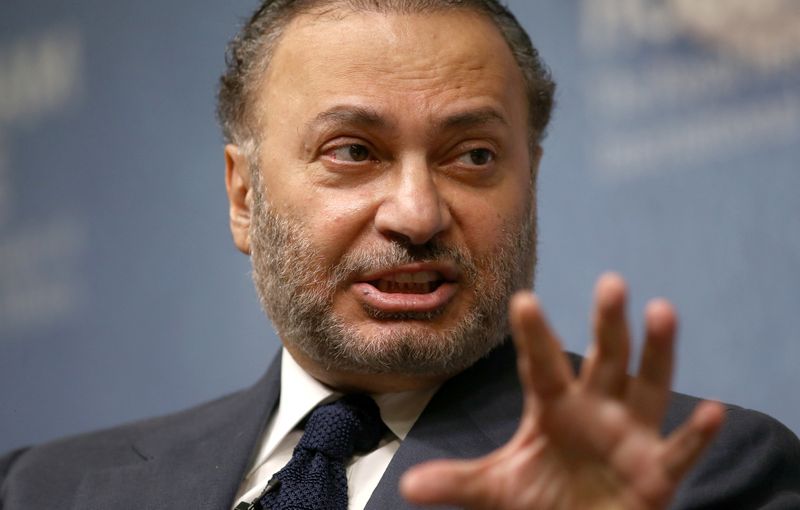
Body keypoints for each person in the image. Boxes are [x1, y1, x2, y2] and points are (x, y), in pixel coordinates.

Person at [2, 1, 799, 508]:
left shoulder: (702, 477)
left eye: (474, 157)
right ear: (244, 196)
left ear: (533, 181)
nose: (417, 213)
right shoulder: (42, 488)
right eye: (353, 151)